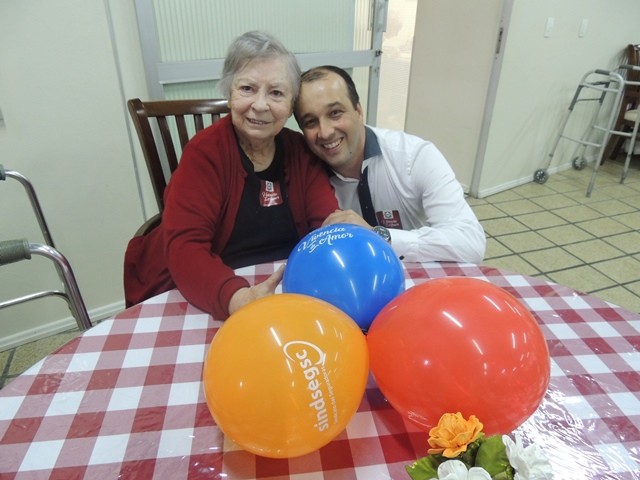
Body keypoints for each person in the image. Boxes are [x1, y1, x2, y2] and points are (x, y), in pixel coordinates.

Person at [124, 32, 339, 318]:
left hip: (289, 289)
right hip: (213, 291)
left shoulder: (300, 151)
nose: (260, 105)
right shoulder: (204, 153)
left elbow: (326, 227)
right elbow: (186, 247)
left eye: (276, 93)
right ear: (229, 94)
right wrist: (237, 298)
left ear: (291, 106)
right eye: (247, 88)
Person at [294, 65, 486, 264]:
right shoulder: (306, 177)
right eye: (310, 122)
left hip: (418, 274)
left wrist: (379, 236)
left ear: (358, 111)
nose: (325, 132)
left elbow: (471, 243)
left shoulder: (414, 157)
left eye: (335, 113)